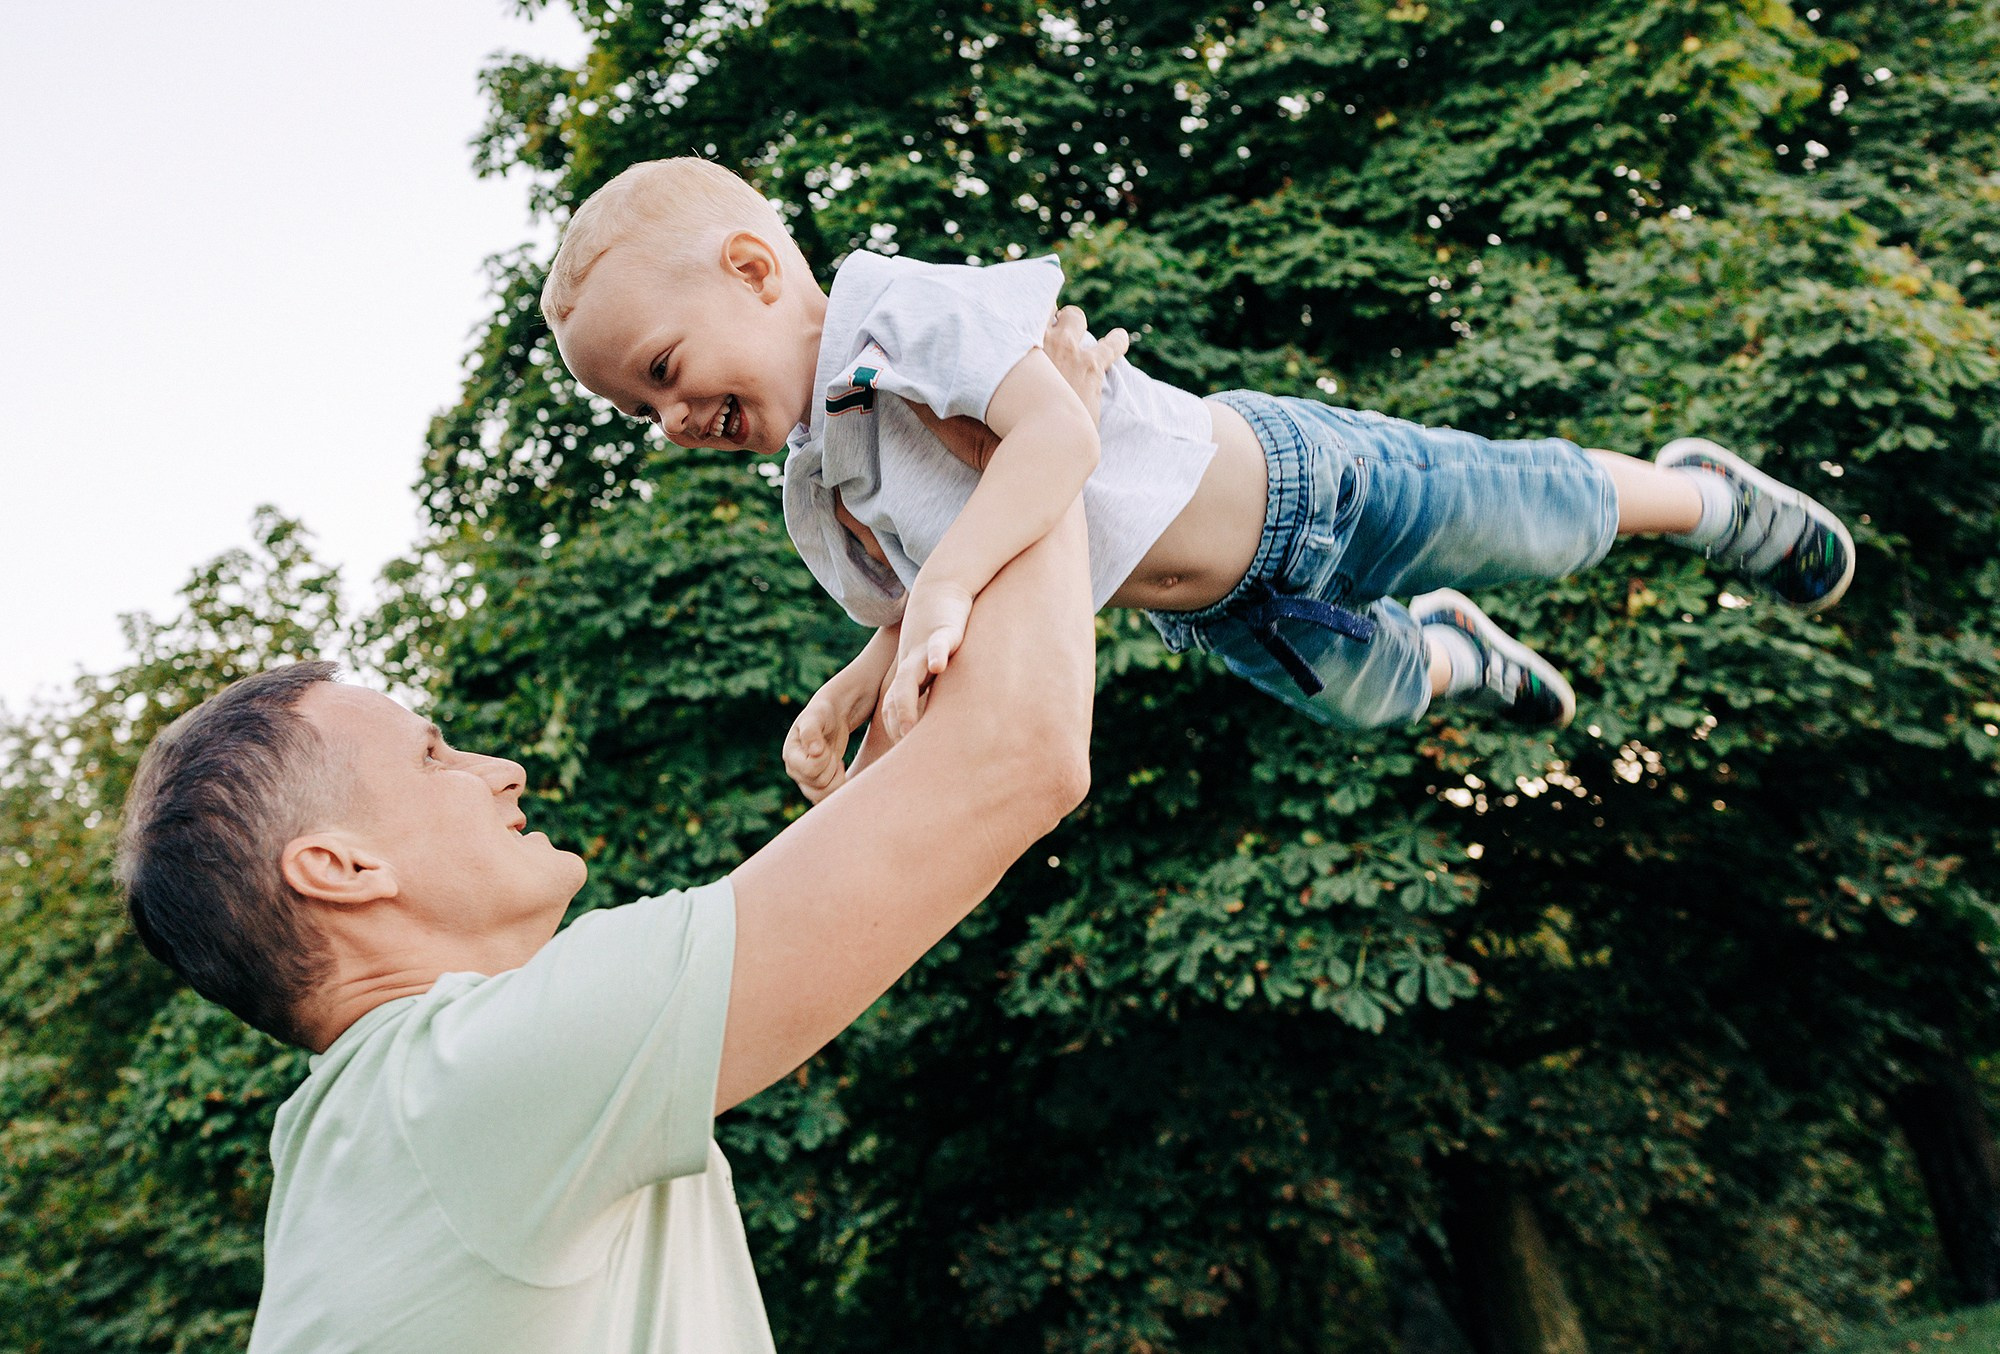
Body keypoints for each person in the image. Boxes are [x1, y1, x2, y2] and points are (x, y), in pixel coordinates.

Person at [113, 378, 1103, 1347]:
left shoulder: (377, 1130)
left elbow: (919, 811)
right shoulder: (471, 1082)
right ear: (340, 868)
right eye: (431, 756)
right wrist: (1046, 424)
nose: (502, 770)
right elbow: (1013, 754)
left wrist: (897, 651)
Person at [540, 157, 1856, 802]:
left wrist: (939, 587)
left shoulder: (897, 317)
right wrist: (840, 700)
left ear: (758, 274)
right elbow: (918, 614)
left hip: (1300, 483)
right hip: (1225, 604)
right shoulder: (819, 491)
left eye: (661, 367)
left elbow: (1056, 441)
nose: (666, 417)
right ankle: (1461, 653)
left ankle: (1703, 497)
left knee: (1529, 518)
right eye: (634, 409)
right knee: (1377, 694)